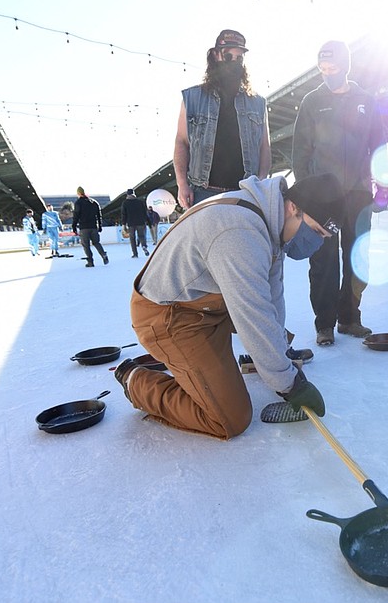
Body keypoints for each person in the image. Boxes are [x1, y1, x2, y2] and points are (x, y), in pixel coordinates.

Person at [113, 174, 343, 439]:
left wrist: (279, 360)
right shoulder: (240, 232)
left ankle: (256, 359)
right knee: (230, 417)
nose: (315, 243)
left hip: (209, 303)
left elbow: (270, 298)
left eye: (323, 237)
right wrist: (290, 385)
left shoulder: (271, 220)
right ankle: (136, 382)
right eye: (315, 231)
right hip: (170, 316)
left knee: (271, 335)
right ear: (294, 208)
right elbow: (253, 315)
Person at [292, 40, 385, 346]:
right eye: (322, 69)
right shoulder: (311, 101)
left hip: (358, 193)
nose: (327, 73)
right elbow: (300, 153)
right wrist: (306, 196)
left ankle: (350, 318)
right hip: (324, 197)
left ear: (345, 66)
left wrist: (383, 184)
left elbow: (379, 147)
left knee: (359, 258)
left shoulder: (366, 101)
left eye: (332, 68)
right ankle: (325, 324)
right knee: (324, 261)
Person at [173, 29, 271, 210]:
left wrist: (262, 182)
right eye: (228, 56)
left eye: (239, 58)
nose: (234, 62)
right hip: (203, 192)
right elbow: (181, 142)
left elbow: (265, 147)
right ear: (216, 55)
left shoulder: (257, 102)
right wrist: (182, 184)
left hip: (245, 193)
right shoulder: (192, 98)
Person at [72, 186, 108, 267]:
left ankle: (90, 261)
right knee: (96, 243)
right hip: (93, 226)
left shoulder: (78, 203)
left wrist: (74, 227)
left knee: (86, 245)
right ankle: (103, 254)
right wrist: (100, 225)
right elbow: (99, 215)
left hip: (84, 228)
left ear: (78, 193)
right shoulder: (94, 202)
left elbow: (76, 216)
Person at [121, 189, 150, 258]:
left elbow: (124, 214)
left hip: (131, 223)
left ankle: (135, 253)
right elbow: (144, 212)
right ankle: (144, 246)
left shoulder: (125, 203)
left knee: (132, 238)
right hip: (141, 222)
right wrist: (148, 221)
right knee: (141, 236)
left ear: (127, 194)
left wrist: (124, 224)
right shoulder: (140, 202)